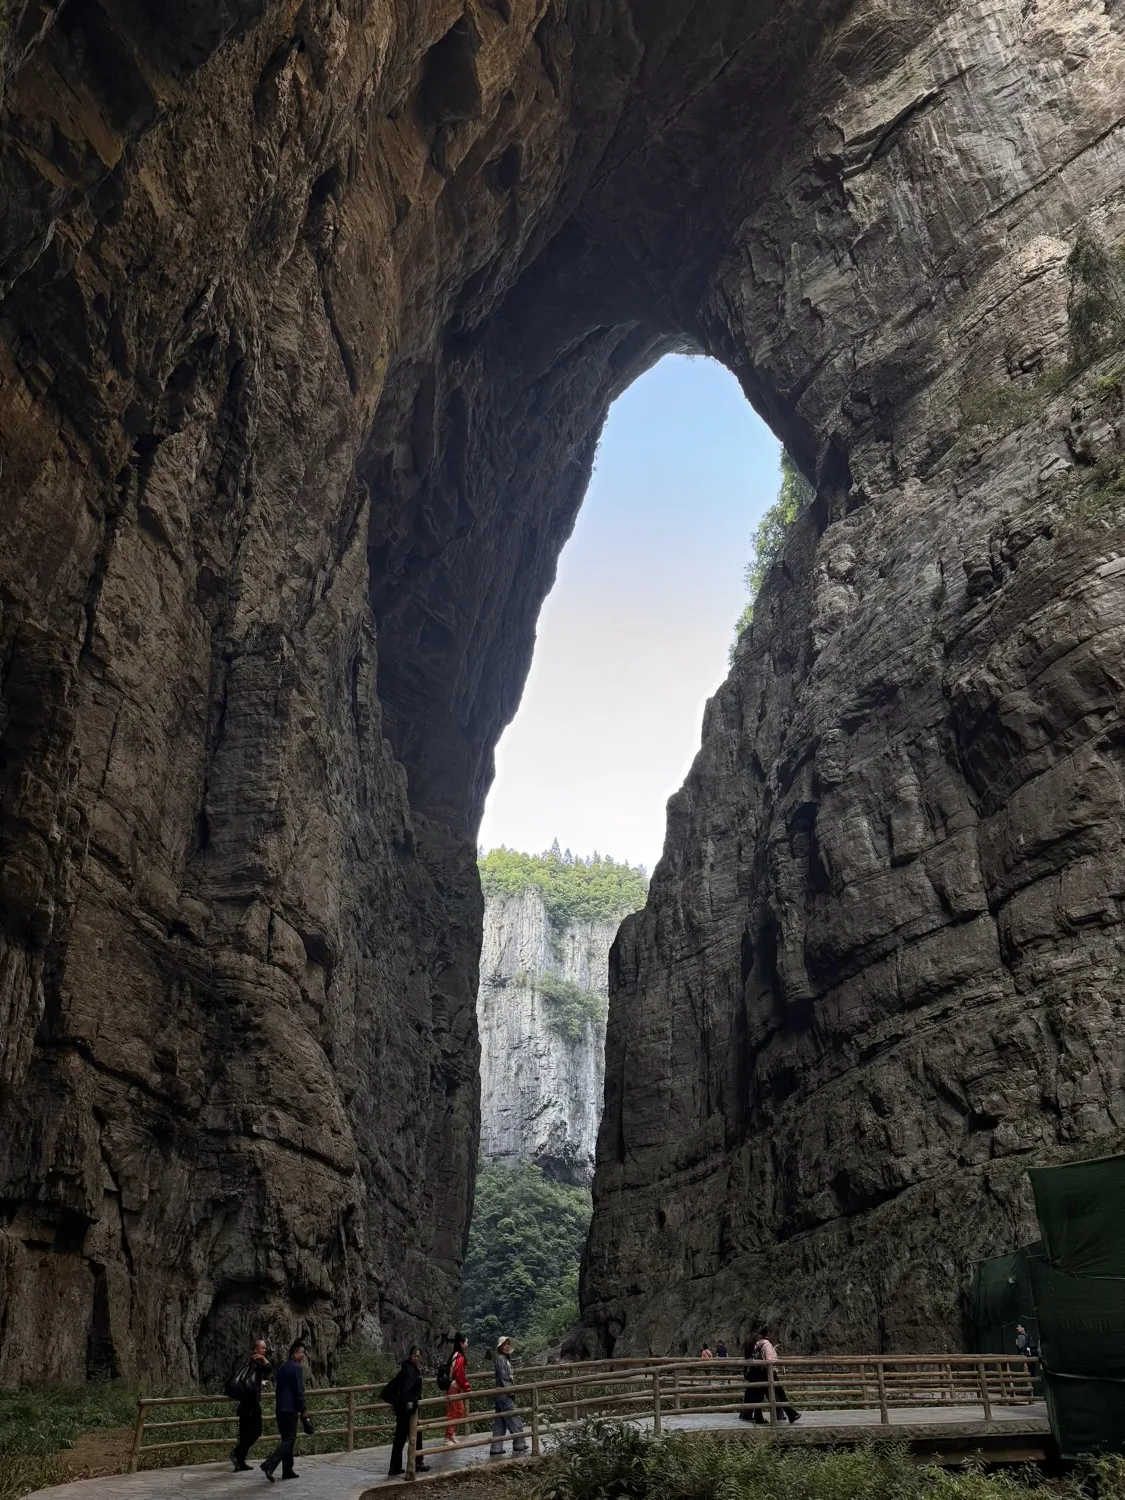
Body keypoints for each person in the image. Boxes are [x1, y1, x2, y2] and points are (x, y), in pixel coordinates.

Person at [261, 1340, 314, 1482]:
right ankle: (269, 1465)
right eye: (301, 1352)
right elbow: (299, 1391)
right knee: (289, 1440)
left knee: (287, 1439)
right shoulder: (296, 1368)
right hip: (290, 1409)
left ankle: (287, 1469)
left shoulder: (283, 1367)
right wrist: (303, 1410)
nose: (302, 1355)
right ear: (294, 1353)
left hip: (280, 1409)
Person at [382, 1346, 430, 1476]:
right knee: (413, 1435)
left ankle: (395, 1467)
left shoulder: (408, 1368)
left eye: (418, 1356)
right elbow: (408, 1390)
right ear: (410, 1356)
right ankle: (417, 1463)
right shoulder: (409, 1370)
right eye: (414, 1356)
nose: (416, 1358)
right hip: (407, 1409)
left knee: (400, 1438)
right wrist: (413, 1402)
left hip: (402, 1408)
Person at [227, 1338, 272, 1470]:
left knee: (244, 1433)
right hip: (252, 1404)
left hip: (243, 1404)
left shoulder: (246, 1361)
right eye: (262, 1348)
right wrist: (264, 1359)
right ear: (255, 1349)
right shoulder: (256, 1362)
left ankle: (240, 1462)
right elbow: (268, 1369)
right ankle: (237, 1453)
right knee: (257, 1431)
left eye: (265, 1348)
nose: (264, 1350)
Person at [489, 1336, 529, 1457]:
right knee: (514, 1417)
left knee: (500, 1421)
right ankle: (519, 1444)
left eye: (508, 1344)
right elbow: (504, 1378)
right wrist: (511, 1391)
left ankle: (496, 1448)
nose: (506, 1346)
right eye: (504, 1344)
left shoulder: (503, 1359)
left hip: (500, 1394)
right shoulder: (501, 1360)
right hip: (504, 1393)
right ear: (500, 1347)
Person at [756, 1328, 800, 1423]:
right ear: (768, 1334)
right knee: (780, 1393)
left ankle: (789, 1414)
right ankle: (790, 1414)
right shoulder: (767, 1345)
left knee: (765, 1395)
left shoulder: (758, 1344)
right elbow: (770, 1360)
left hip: (762, 1372)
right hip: (769, 1371)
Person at [444, 1332, 472, 1446]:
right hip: (454, 1387)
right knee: (455, 1412)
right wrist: (467, 1388)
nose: (467, 1344)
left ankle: (452, 1435)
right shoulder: (459, 1357)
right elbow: (459, 1375)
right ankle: (447, 1437)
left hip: (453, 1387)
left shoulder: (455, 1354)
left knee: (458, 1411)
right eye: (466, 1342)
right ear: (461, 1343)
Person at [739, 1334, 767, 1423]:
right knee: (759, 1394)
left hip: (749, 1373)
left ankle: (746, 1412)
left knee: (750, 1392)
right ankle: (758, 1416)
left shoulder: (748, 1347)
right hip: (756, 1373)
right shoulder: (756, 1349)